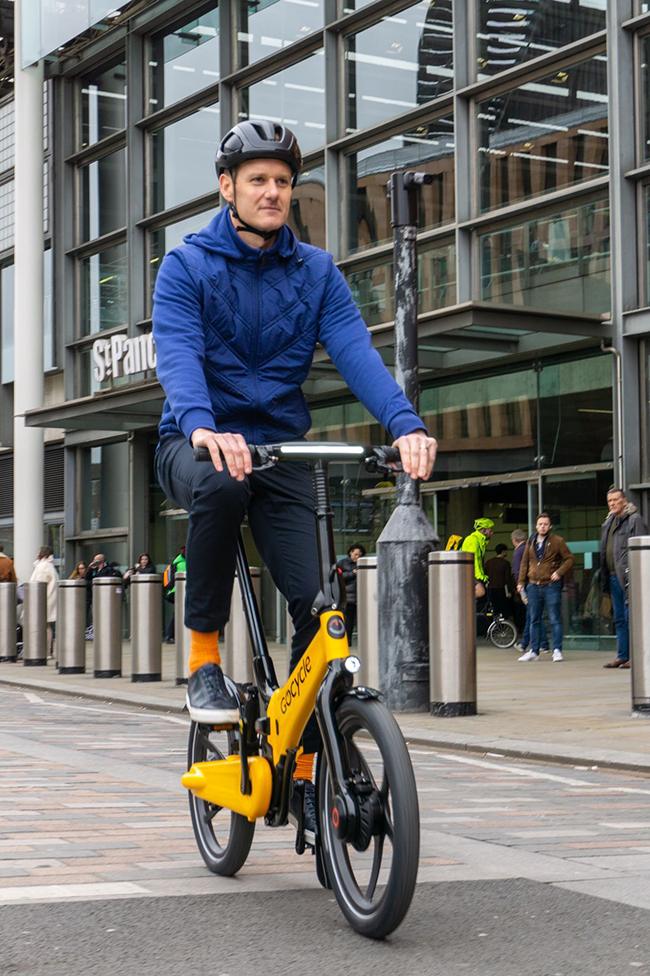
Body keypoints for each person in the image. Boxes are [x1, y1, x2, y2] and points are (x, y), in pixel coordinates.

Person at [152, 119, 437, 841]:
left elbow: (356, 353)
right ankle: (206, 660)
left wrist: (404, 423)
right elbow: (180, 358)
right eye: (258, 180)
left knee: (318, 616)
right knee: (217, 484)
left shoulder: (315, 272)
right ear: (228, 188)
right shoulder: (185, 267)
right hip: (196, 441)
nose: (273, 192)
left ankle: (313, 772)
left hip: (280, 451)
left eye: (283, 181)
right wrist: (202, 426)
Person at [600, 487, 649, 669]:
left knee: (632, 619)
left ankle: (636, 657)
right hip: (612, 577)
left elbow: (641, 549)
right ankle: (622, 655)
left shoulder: (634, 520)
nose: (612, 503)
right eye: (609, 501)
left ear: (624, 500)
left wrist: (636, 573)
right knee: (619, 618)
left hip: (629, 577)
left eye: (615, 500)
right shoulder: (608, 522)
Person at [517, 513, 574, 663]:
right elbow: (524, 563)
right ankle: (534, 651)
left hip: (551, 585)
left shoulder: (557, 541)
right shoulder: (531, 541)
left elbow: (569, 559)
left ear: (550, 526)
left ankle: (557, 650)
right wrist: (521, 582)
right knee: (534, 619)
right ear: (536, 526)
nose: (543, 526)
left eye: (545, 524)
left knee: (554, 618)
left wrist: (559, 572)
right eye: (540, 524)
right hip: (533, 585)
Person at [84, 553, 122, 639]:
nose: (94, 562)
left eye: (96, 560)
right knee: (95, 616)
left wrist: (93, 583)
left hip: (104, 598)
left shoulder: (108, 569)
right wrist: (89, 569)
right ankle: (95, 632)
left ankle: (104, 633)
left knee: (104, 616)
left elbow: (103, 581)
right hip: (94, 597)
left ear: (101, 561)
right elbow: (86, 580)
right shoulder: (93, 570)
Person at [30, 545, 59, 657]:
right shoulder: (48, 566)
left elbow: (38, 584)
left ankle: (46, 651)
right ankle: (48, 650)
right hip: (48, 599)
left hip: (44, 599)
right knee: (47, 626)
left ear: (42, 553)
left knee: (44, 626)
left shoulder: (43, 567)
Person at [336, 543, 366, 642]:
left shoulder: (363, 563)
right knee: (348, 622)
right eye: (356, 554)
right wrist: (352, 573)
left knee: (360, 622)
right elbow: (338, 578)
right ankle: (346, 642)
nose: (357, 557)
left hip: (361, 597)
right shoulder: (342, 563)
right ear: (350, 553)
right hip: (348, 598)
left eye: (359, 555)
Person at [461, 518, 494, 599]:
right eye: (490, 530)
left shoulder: (480, 540)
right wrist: (480, 576)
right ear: (483, 530)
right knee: (481, 592)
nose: (492, 532)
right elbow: (474, 559)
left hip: (471, 572)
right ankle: (461, 601)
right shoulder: (473, 540)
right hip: (469, 572)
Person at [163, 546, 187, 643]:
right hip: (179, 591)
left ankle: (172, 635)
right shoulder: (180, 563)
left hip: (179, 591)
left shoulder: (177, 562)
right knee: (179, 613)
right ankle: (170, 635)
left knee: (179, 613)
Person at [485, 543, 512, 618]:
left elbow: (485, 574)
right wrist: (509, 591)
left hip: (490, 589)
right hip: (501, 589)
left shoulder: (489, 562)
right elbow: (508, 579)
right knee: (503, 610)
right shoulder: (505, 563)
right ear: (503, 551)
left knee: (493, 609)